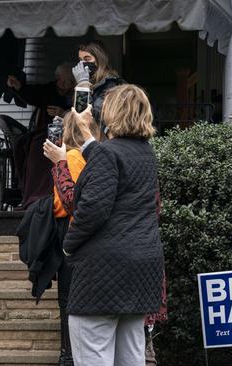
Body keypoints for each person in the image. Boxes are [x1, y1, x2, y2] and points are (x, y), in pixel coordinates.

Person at [52, 85, 164, 366]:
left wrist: (69, 245)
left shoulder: (108, 154)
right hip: (142, 270)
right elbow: (111, 161)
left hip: (102, 272)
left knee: (93, 357)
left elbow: (92, 210)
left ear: (113, 113)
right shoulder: (145, 153)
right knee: (131, 358)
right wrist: (89, 136)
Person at [42, 112, 101, 366]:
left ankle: (67, 355)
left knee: (67, 297)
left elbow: (67, 202)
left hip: (72, 230)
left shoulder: (73, 158)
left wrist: (59, 165)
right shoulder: (90, 157)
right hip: (86, 233)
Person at [8, 63, 75, 209]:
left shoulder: (77, 93)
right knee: (32, 148)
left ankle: (54, 195)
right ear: (57, 79)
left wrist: (63, 114)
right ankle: (32, 196)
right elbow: (32, 94)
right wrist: (19, 86)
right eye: (64, 81)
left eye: (70, 81)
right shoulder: (48, 90)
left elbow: (80, 117)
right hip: (44, 134)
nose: (67, 85)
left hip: (70, 136)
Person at [71, 40, 123, 135]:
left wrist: (83, 85)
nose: (82, 64)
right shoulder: (91, 81)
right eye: (80, 60)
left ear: (99, 59)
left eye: (87, 59)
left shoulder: (110, 84)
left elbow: (92, 116)